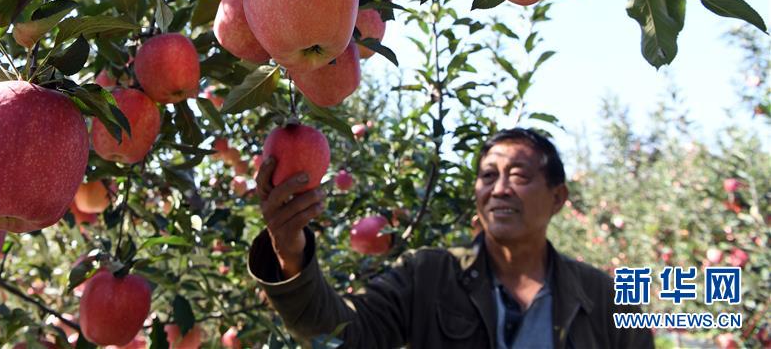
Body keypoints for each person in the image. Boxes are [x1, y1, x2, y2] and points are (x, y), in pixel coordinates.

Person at [248, 127, 654, 349]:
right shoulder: (428, 276)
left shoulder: (607, 301)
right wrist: (290, 253)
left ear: (557, 197)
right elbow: (339, 336)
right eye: (489, 176)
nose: (499, 189)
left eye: (519, 176)